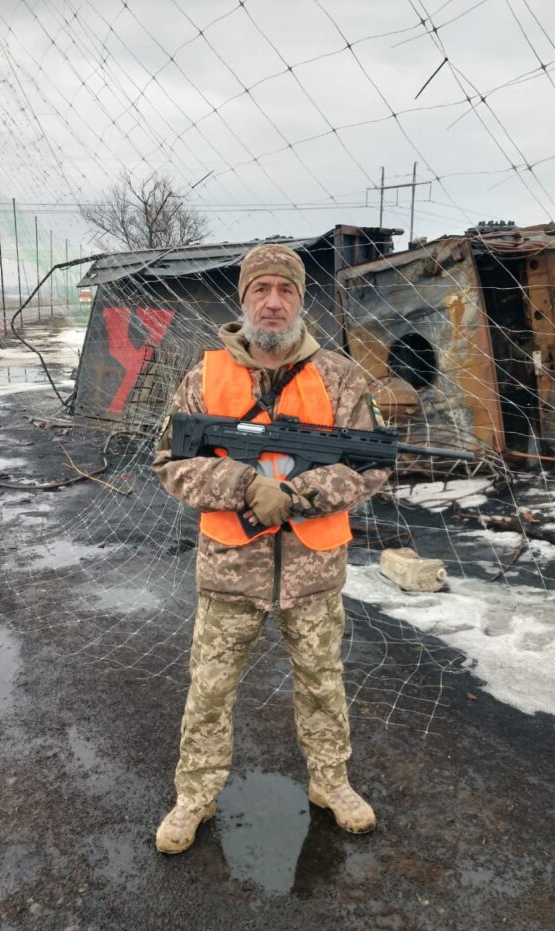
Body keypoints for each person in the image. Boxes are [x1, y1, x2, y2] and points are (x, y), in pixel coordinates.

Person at [152, 242, 389, 854]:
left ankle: (331, 783)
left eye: (286, 290)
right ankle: (195, 796)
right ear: (244, 299)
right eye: (261, 290)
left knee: (322, 686)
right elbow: (171, 462)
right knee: (209, 691)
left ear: (302, 300)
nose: (274, 302)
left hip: (314, 573)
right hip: (229, 572)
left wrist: (299, 494)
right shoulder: (203, 377)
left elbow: (370, 467)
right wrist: (244, 486)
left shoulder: (340, 376)